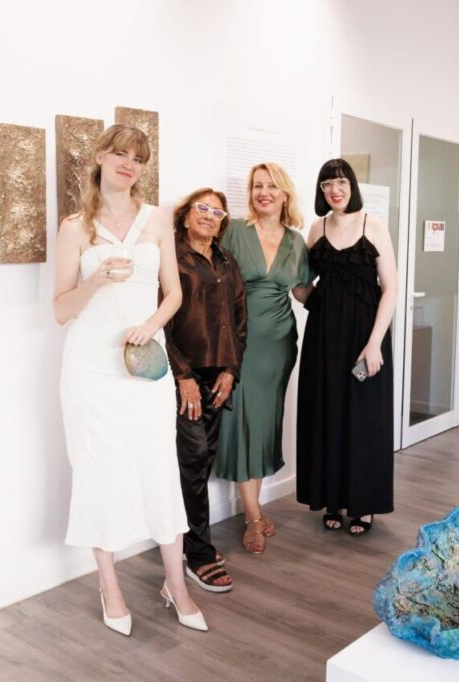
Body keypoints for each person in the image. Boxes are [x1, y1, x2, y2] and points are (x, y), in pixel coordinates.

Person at [53, 124, 206, 635]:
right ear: (100, 157)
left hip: (144, 364)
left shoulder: (157, 219)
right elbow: (60, 311)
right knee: (98, 470)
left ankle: (175, 585)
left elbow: (174, 295)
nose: (128, 164)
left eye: (137, 158)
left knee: (158, 466)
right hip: (92, 368)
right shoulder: (76, 227)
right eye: (119, 154)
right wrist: (96, 278)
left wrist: (151, 327)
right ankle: (109, 585)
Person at [214, 162, 313, 554]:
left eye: (271, 186)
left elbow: (303, 293)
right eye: (257, 186)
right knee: (240, 422)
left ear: (285, 194)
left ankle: (253, 506)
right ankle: (253, 515)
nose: (263, 192)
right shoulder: (235, 231)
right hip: (240, 342)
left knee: (266, 421)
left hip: (281, 344)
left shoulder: (296, 241)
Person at [296, 159, 397, 536]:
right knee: (328, 415)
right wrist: (292, 286)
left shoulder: (374, 225)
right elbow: (305, 286)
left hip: (364, 335)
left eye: (340, 182)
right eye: (326, 185)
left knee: (364, 419)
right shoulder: (316, 228)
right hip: (323, 335)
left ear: (352, 185)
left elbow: (390, 288)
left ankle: (363, 505)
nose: (334, 190)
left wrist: (375, 344)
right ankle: (333, 499)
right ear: (321, 192)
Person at [164, 188, 247, 592]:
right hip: (186, 375)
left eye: (217, 212)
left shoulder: (227, 261)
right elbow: (160, 320)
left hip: (219, 376)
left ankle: (190, 540)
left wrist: (231, 370)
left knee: (203, 460)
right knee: (193, 460)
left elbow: (239, 321)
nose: (209, 216)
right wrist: (182, 376)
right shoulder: (171, 258)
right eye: (202, 208)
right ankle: (197, 554)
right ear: (184, 216)